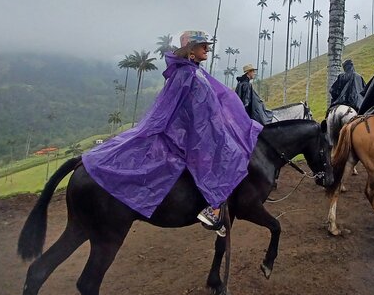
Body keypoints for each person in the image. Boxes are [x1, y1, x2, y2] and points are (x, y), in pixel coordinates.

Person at [82, 30, 262, 237]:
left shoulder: (192, 72)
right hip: (191, 132)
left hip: (200, 129)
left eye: (208, 46)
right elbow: (189, 109)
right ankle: (213, 209)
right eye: (203, 46)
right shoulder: (187, 74)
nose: (208, 49)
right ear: (191, 51)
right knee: (226, 157)